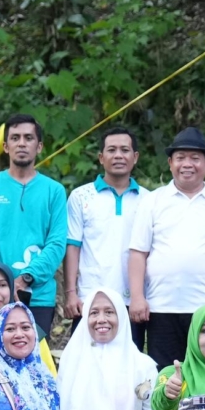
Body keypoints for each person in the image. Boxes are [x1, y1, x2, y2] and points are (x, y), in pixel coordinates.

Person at [127, 127, 205, 367]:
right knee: (167, 376)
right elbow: (138, 252)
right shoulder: (152, 202)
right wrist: (137, 297)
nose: (187, 164)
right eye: (180, 158)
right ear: (170, 163)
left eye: (195, 158)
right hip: (161, 307)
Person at [0, 113, 68, 317]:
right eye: (15, 138)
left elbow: (57, 243)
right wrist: (0, 283)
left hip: (38, 295)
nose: (22, 143)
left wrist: (27, 277)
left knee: (36, 349)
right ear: (6, 146)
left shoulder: (54, 191)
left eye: (28, 138)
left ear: (39, 146)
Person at [62, 127, 146, 338]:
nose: (118, 155)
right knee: (85, 364)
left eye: (125, 150)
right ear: (101, 157)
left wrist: (142, 297)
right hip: (89, 299)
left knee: (129, 363)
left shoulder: (149, 200)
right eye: (112, 150)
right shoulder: (81, 196)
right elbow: (72, 246)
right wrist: (71, 293)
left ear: (135, 157)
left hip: (132, 300)